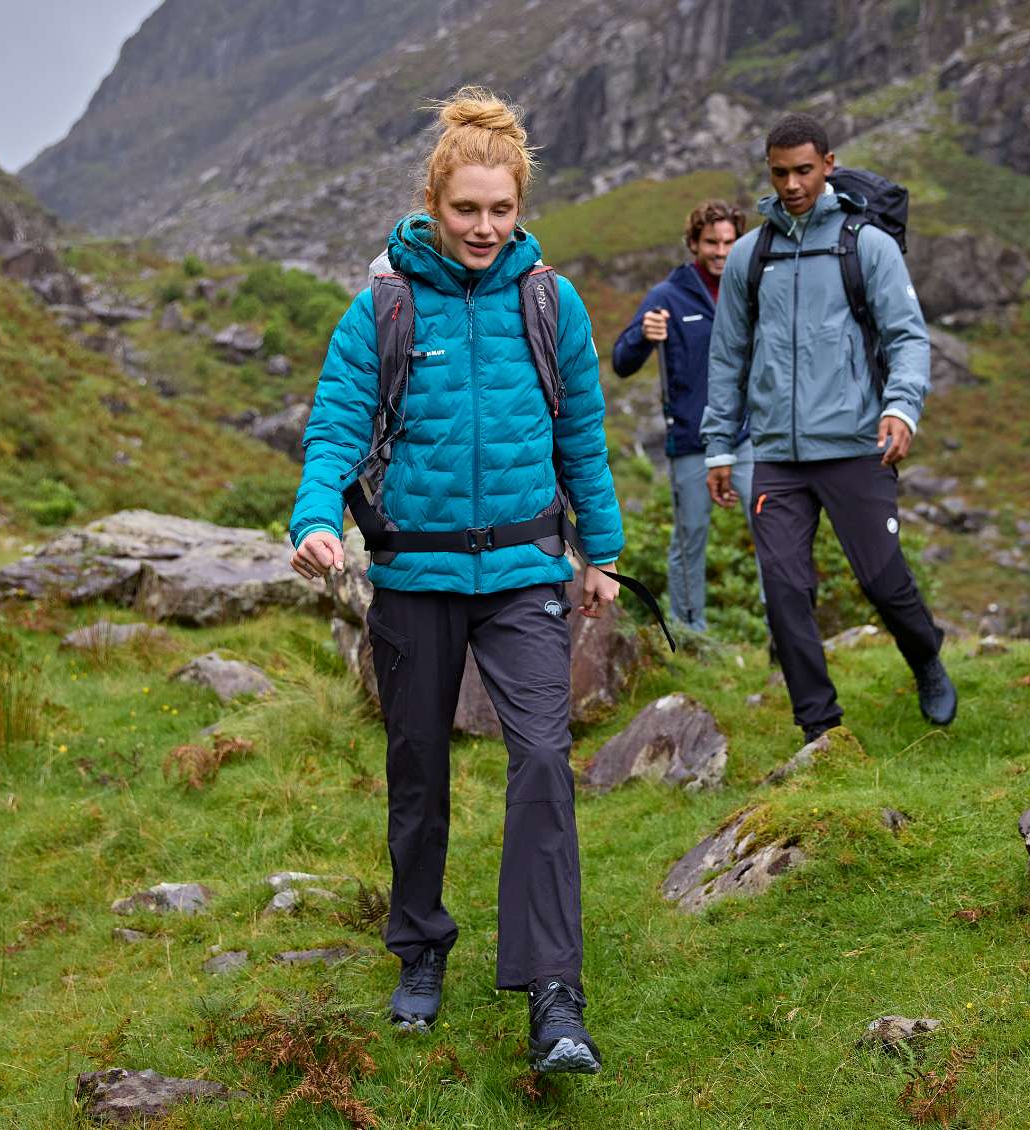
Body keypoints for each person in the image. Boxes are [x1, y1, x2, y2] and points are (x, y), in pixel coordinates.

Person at [285, 87, 619, 1075]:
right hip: (415, 576)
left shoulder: (548, 302)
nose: (483, 227)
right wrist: (315, 517)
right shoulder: (383, 305)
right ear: (434, 201)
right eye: (466, 209)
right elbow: (337, 424)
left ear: (521, 206)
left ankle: (555, 992)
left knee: (543, 762)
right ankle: (421, 945)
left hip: (523, 571)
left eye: (500, 209)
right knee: (419, 769)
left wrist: (600, 553)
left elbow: (582, 438)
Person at [703, 112, 954, 742]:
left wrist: (901, 408)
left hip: (855, 445)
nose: (791, 184)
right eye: (780, 172)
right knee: (785, 592)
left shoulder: (866, 245)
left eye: (804, 170)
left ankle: (924, 654)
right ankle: (820, 727)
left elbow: (908, 337)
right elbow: (727, 355)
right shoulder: (747, 256)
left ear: (829, 165)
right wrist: (718, 447)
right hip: (779, 459)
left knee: (882, 579)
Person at [609, 199, 756, 636]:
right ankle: (690, 634)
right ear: (694, 243)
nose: (722, 251)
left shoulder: (751, 287)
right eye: (712, 242)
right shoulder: (666, 297)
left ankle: (783, 635)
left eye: (730, 242)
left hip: (749, 436)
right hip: (691, 440)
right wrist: (641, 334)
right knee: (690, 536)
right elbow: (621, 360)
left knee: (773, 530)